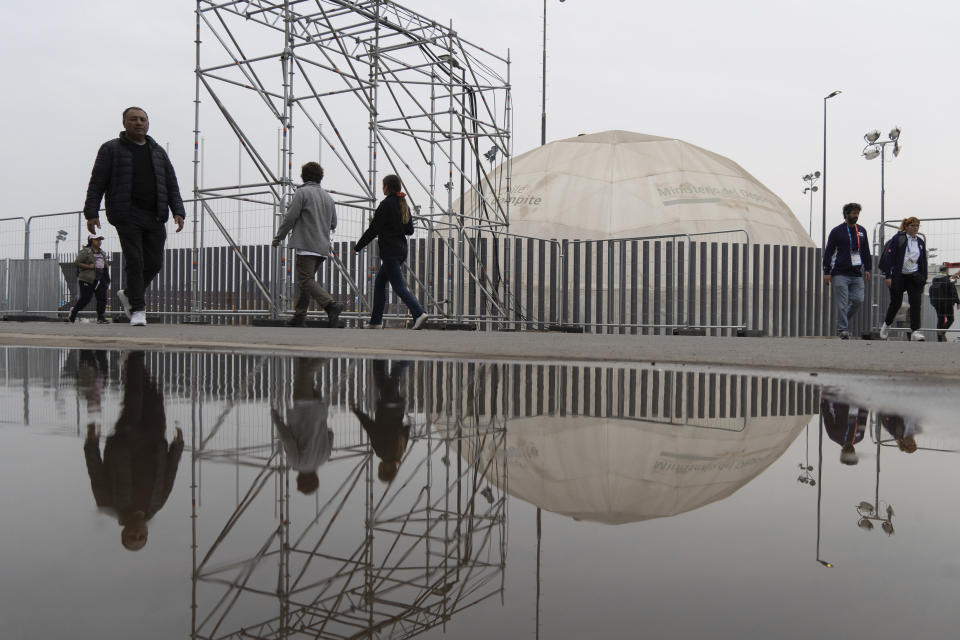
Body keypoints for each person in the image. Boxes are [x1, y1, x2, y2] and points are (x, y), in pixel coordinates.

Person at [83, 106, 185, 327]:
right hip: (127, 213)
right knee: (135, 261)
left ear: (148, 123)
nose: (138, 123)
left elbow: (171, 183)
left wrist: (178, 209)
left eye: (142, 119)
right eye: (133, 119)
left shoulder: (157, 151)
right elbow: (97, 181)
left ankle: (129, 293)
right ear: (124, 123)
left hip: (155, 214)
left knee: (155, 262)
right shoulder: (111, 149)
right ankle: (138, 309)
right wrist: (91, 212)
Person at [84, 351, 183, 550]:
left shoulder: (108, 504)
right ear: (146, 534)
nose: (137, 534)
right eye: (141, 537)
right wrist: (177, 447)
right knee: (154, 397)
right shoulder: (156, 505)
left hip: (126, 441)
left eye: (132, 536)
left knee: (135, 397)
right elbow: (169, 476)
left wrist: (92, 443)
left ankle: (135, 354)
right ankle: (130, 363)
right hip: (155, 439)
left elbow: (96, 473)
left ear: (124, 532)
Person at [271, 162, 343, 328]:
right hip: (322, 247)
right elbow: (333, 223)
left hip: (306, 245)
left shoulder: (302, 193)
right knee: (305, 282)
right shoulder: (328, 197)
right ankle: (299, 316)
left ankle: (331, 305)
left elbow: (291, 217)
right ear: (320, 177)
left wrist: (278, 238)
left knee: (305, 280)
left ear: (303, 176)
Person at [353, 175, 428, 329]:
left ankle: (419, 313)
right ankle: (376, 321)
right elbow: (410, 230)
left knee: (398, 286)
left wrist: (358, 246)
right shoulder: (403, 204)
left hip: (390, 251)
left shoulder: (385, 204)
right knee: (380, 284)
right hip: (401, 250)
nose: (382, 188)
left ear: (387, 186)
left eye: (383, 185)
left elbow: (373, 229)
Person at [270, 357, 334, 495]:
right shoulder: (296, 462)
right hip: (303, 409)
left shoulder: (324, 458)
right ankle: (330, 354)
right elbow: (288, 440)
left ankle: (304, 348)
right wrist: (276, 419)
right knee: (305, 374)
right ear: (299, 479)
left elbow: (330, 433)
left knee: (304, 371)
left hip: (319, 410)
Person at [351, 360, 411, 482]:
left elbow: (406, 429)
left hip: (397, 408)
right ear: (382, 469)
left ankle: (379, 358)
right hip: (386, 407)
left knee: (381, 376)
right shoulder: (381, 451)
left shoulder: (400, 452)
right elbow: (370, 427)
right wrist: (356, 411)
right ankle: (408, 359)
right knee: (395, 372)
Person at [823, 203, 872, 339]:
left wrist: (868, 267)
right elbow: (828, 252)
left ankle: (841, 321)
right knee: (842, 303)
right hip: (839, 273)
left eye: (857, 213)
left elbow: (866, 250)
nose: (856, 216)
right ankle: (843, 329)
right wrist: (827, 272)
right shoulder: (836, 231)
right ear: (846, 213)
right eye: (853, 213)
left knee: (858, 300)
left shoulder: (861, 231)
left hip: (857, 273)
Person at [878, 217, 928, 341]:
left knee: (916, 304)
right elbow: (889, 257)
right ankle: (886, 325)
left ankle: (915, 331)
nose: (915, 227)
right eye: (912, 225)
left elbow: (923, 262)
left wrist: (923, 279)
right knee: (896, 303)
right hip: (899, 276)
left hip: (914, 276)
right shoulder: (898, 238)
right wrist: (888, 276)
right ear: (906, 227)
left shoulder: (920, 242)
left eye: (917, 225)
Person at [68, 235, 111, 324]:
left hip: (100, 279)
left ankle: (100, 318)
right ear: (91, 241)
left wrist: (107, 278)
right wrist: (88, 266)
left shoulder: (102, 252)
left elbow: (105, 265)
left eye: (100, 240)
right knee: (86, 298)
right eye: (97, 239)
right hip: (87, 279)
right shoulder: (85, 251)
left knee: (102, 298)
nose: (99, 241)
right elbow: (76, 262)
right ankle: (74, 312)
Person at [820, 397, 867, 465]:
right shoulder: (859, 437)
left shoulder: (834, 436)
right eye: (853, 453)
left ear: (843, 453)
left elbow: (827, 415)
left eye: (848, 453)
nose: (851, 451)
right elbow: (863, 415)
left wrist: (824, 398)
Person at [928, 265, 959, 342]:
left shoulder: (934, 280)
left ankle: (939, 339)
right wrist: (958, 301)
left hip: (937, 303)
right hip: (947, 303)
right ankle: (942, 332)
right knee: (950, 319)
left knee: (940, 319)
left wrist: (933, 302)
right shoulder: (948, 279)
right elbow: (953, 291)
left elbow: (930, 292)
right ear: (947, 270)